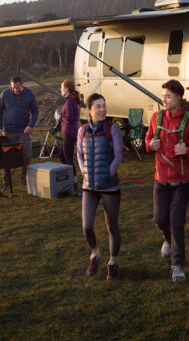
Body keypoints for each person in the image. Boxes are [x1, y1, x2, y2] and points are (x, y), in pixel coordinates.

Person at [145, 79, 189, 283]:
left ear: (179, 98)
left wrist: (188, 151)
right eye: (163, 95)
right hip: (161, 180)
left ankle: (177, 265)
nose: (163, 99)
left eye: (168, 96)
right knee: (160, 219)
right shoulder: (156, 118)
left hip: (183, 182)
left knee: (176, 222)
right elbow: (148, 143)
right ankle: (167, 239)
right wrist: (151, 145)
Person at [76, 93, 123, 280]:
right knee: (87, 226)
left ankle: (112, 263)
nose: (102, 109)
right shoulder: (82, 131)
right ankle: (95, 253)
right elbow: (79, 155)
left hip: (110, 187)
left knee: (111, 225)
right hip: (89, 187)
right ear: (89, 109)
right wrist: (84, 171)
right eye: (98, 106)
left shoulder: (113, 129)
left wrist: (110, 173)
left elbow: (118, 155)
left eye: (104, 105)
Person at [0, 75, 39, 192]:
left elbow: (35, 111)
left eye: (18, 88)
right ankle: (6, 183)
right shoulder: (4, 94)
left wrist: (31, 126)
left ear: (22, 85)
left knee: (26, 157)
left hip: (24, 131)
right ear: (11, 86)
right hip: (9, 131)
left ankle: (24, 181)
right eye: (13, 88)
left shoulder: (29, 94)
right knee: (7, 158)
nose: (15, 90)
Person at [56, 79, 82, 183]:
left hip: (69, 132)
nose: (61, 89)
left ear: (67, 89)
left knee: (68, 157)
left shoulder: (70, 101)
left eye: (62, 87)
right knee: (61, 155)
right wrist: (62, 114)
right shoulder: (73, 100)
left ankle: (73, 181)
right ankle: (69, 176)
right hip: (71, 131)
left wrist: (59, 117)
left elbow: (70, 118)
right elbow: (70, 115)